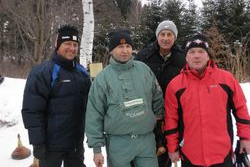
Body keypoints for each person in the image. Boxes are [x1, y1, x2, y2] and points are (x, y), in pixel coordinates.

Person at [164, 34, 250, 167]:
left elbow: (241, 109)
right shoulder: (175, 85)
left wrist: (245, 137)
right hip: (191, 156)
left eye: (201, 51)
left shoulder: (226, 79)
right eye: (192, 52)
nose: (196, 56)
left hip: (222, 155)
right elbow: (171, 119)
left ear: (208, 55)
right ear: (186, 57)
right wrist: (172, 147)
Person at [85, 28, 164, 167]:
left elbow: (157, 98)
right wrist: (97, 149)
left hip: (146, 140)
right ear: (111, 50)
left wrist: (159, 129)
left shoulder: (144, 70)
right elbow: (94, 114)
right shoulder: (102, 79)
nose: (125, 50)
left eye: (128, 46)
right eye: (120, 47)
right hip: (118, 143)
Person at [21, 25, 91, 167]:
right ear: (57, 44)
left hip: (75, 144)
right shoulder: (42, 72)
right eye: (67, 43)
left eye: (75, 44)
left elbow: (91, 105)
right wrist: (37, 143)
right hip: (50, 146)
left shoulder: (82, 73)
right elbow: (32, 110)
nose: (72, 48)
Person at [135, 20, 186, 166]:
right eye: (162, 34)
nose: (165, 38)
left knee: (167, 150)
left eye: (169, 34)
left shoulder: (182, 58)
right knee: (148, 151)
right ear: (157, 36)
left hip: (174, 112)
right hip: (148, 111)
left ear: (174, 37)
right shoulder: (144, 56)